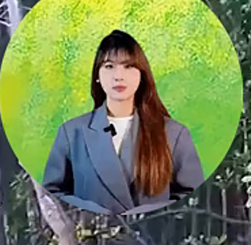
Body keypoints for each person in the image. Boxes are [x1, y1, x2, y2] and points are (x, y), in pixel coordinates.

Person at [41, 29, 205, 216]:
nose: (119, 76)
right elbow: (53, 196)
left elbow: (191, 197)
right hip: (94, 240)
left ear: (141, 74)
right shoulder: (71, 134)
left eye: (128, 66)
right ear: (97, 75)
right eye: (109, 66)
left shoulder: (174, 134)